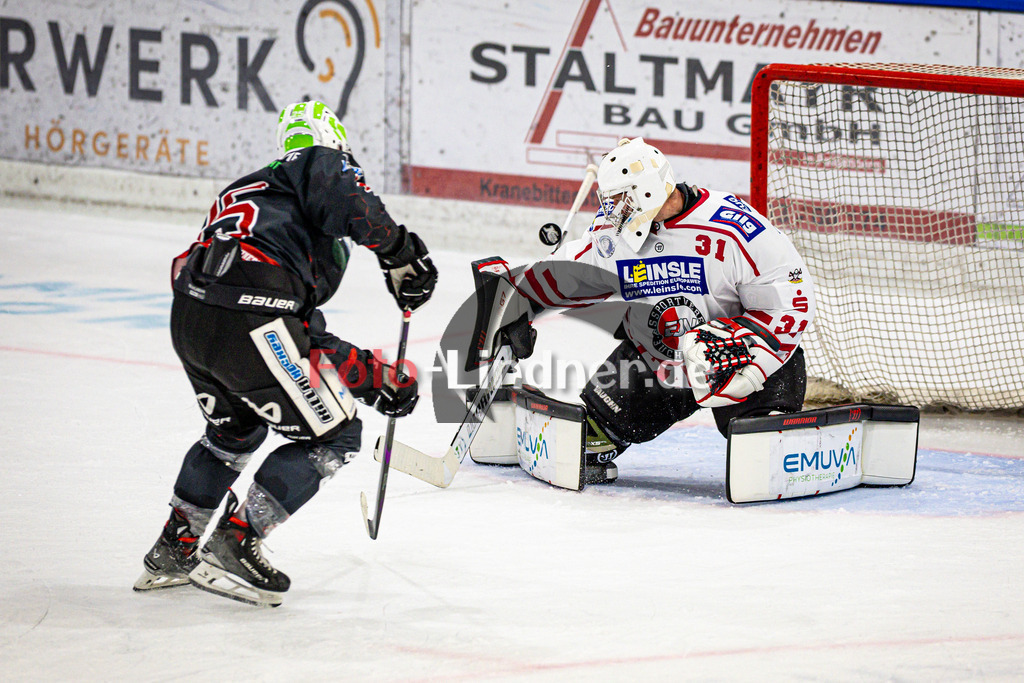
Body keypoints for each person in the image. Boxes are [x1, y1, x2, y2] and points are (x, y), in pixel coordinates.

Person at [134, 100, 438, 607]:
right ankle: (234, 544)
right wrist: (399, 251)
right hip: (249, 318)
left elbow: (298, 336)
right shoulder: (317, 163)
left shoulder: (251, 194)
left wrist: (370, 378)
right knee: (337, 435)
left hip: (192, 318)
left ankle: (173, 550)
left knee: (233, 433)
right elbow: (339, 190)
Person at [493, 137, 815, 484]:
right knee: (584, 443)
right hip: (655, 357)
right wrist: (518, 299)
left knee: (760, 456)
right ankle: (607, 426)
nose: (612, 208)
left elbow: (790, 298)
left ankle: (769, 426)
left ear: (646, 191)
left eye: (619, 198)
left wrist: (750, 350)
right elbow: (570, 273)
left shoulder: (734, 228)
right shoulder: (612, 234)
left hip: (735, 356)